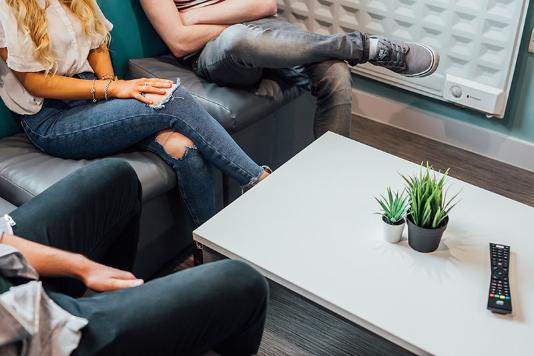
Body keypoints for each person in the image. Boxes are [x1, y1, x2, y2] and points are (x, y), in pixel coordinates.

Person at [0, 0, 271, 228]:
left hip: (94, 97)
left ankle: (210, 252)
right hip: (52, 118)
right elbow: (34, 82)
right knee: (172, 97)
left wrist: (110, 88)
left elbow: (98, 44)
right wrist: (112, 89)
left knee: (184, 148)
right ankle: (258, 181)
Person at [0, 159, 268, 356]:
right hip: (25, 335)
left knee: (117, 176)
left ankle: (121, 310)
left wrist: (82, 266)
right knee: (244, 282)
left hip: (9, 265)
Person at [141, 0, 440, 138]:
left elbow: (265, 6)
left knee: (334, 71)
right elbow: (180, 41)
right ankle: (365, 48)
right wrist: (232, 18)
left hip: (264, 31)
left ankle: (332, 175)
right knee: (237, 38)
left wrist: (195, 15)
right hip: (214, 52)